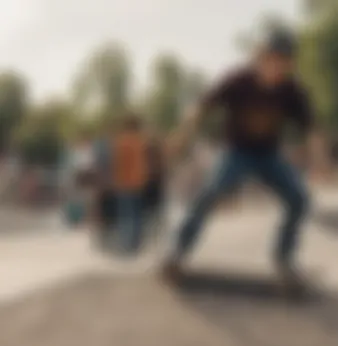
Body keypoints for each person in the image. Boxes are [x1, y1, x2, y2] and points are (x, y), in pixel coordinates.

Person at [163, 28, 316, 291]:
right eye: (270, 61)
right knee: (210, 194)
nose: (274, 70)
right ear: (259, 58)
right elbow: (201, 106)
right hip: (236, 153)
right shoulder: (238, 80)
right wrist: (182, 134)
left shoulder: (292, 91)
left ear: (289, 66)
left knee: (299, 199)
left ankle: (284, 260)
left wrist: (320, 161)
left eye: (281, 64)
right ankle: (177, 253)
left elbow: (311, 130)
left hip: (269, 156)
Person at [112, 114, 148, 254]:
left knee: (126, 214)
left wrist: (116, 180)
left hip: (124, 182)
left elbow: (118, 163)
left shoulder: (121, 142)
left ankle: (126, 244)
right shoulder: (140, 142)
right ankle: (136, 243)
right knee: (137, 213)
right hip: (138, 181)